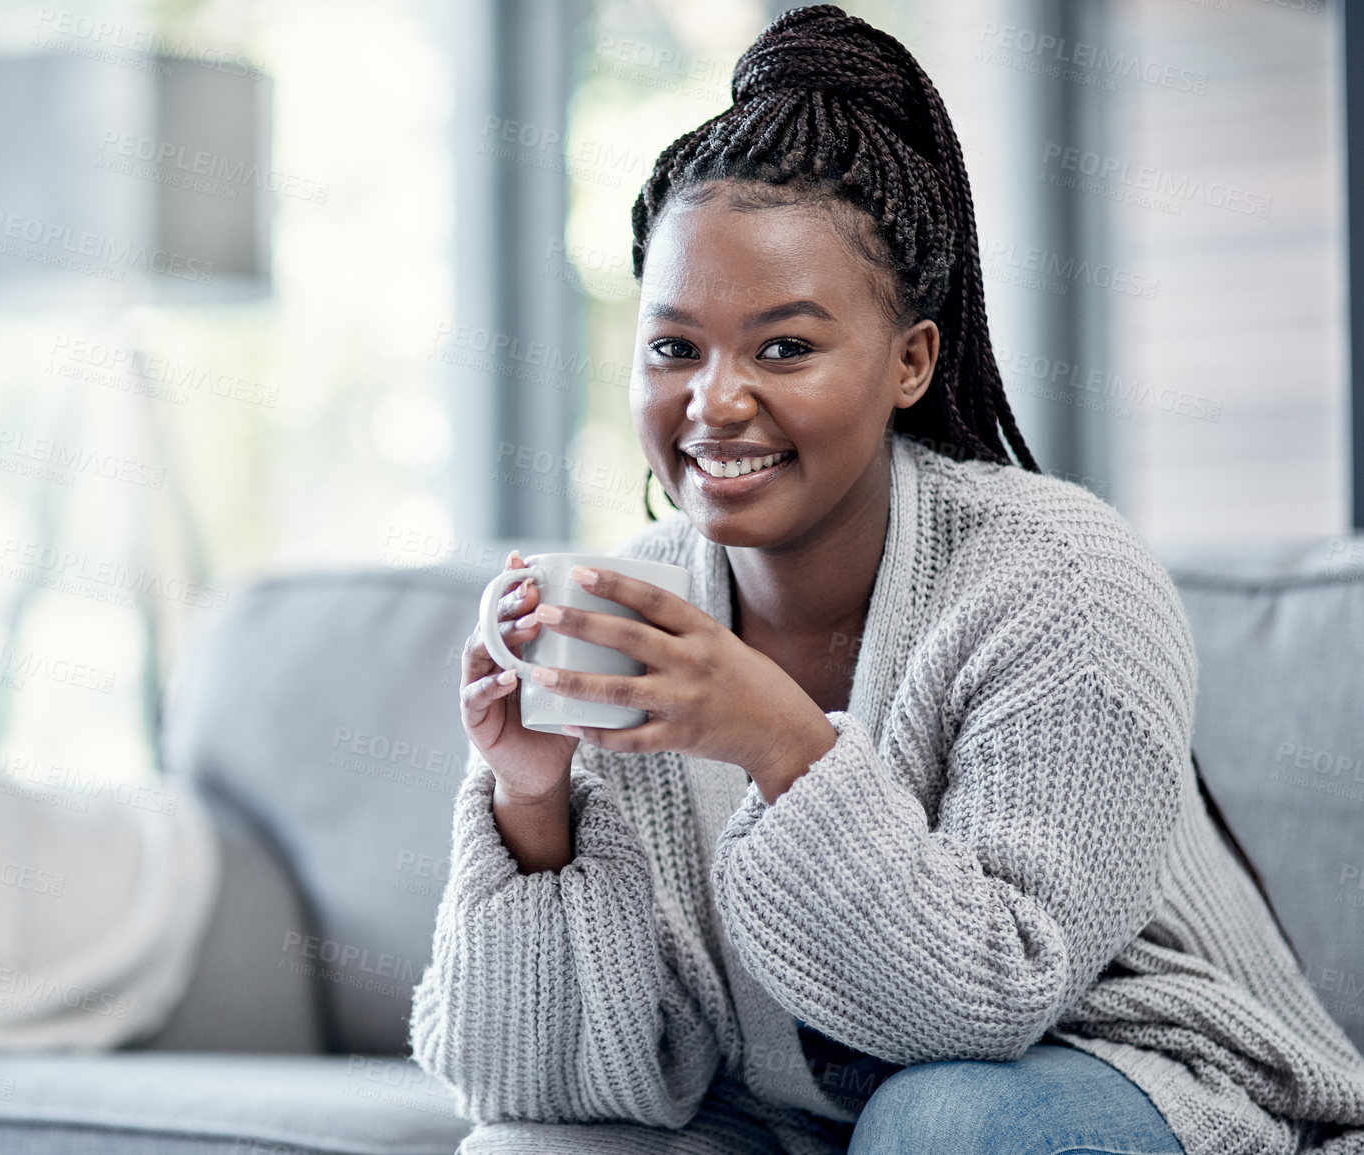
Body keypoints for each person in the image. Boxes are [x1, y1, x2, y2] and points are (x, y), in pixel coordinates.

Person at [407, 6, 1364, 1154]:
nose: (713, 401)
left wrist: (784, 747)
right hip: (790, 1116)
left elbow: (986, 1003)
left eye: (785, 347)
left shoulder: (1062, 579)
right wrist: (532, 803)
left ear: (912, 359)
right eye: (673, 348)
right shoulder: (634, 614)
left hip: (1126, 1068)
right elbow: (533, 1088)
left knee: (940, 1123)